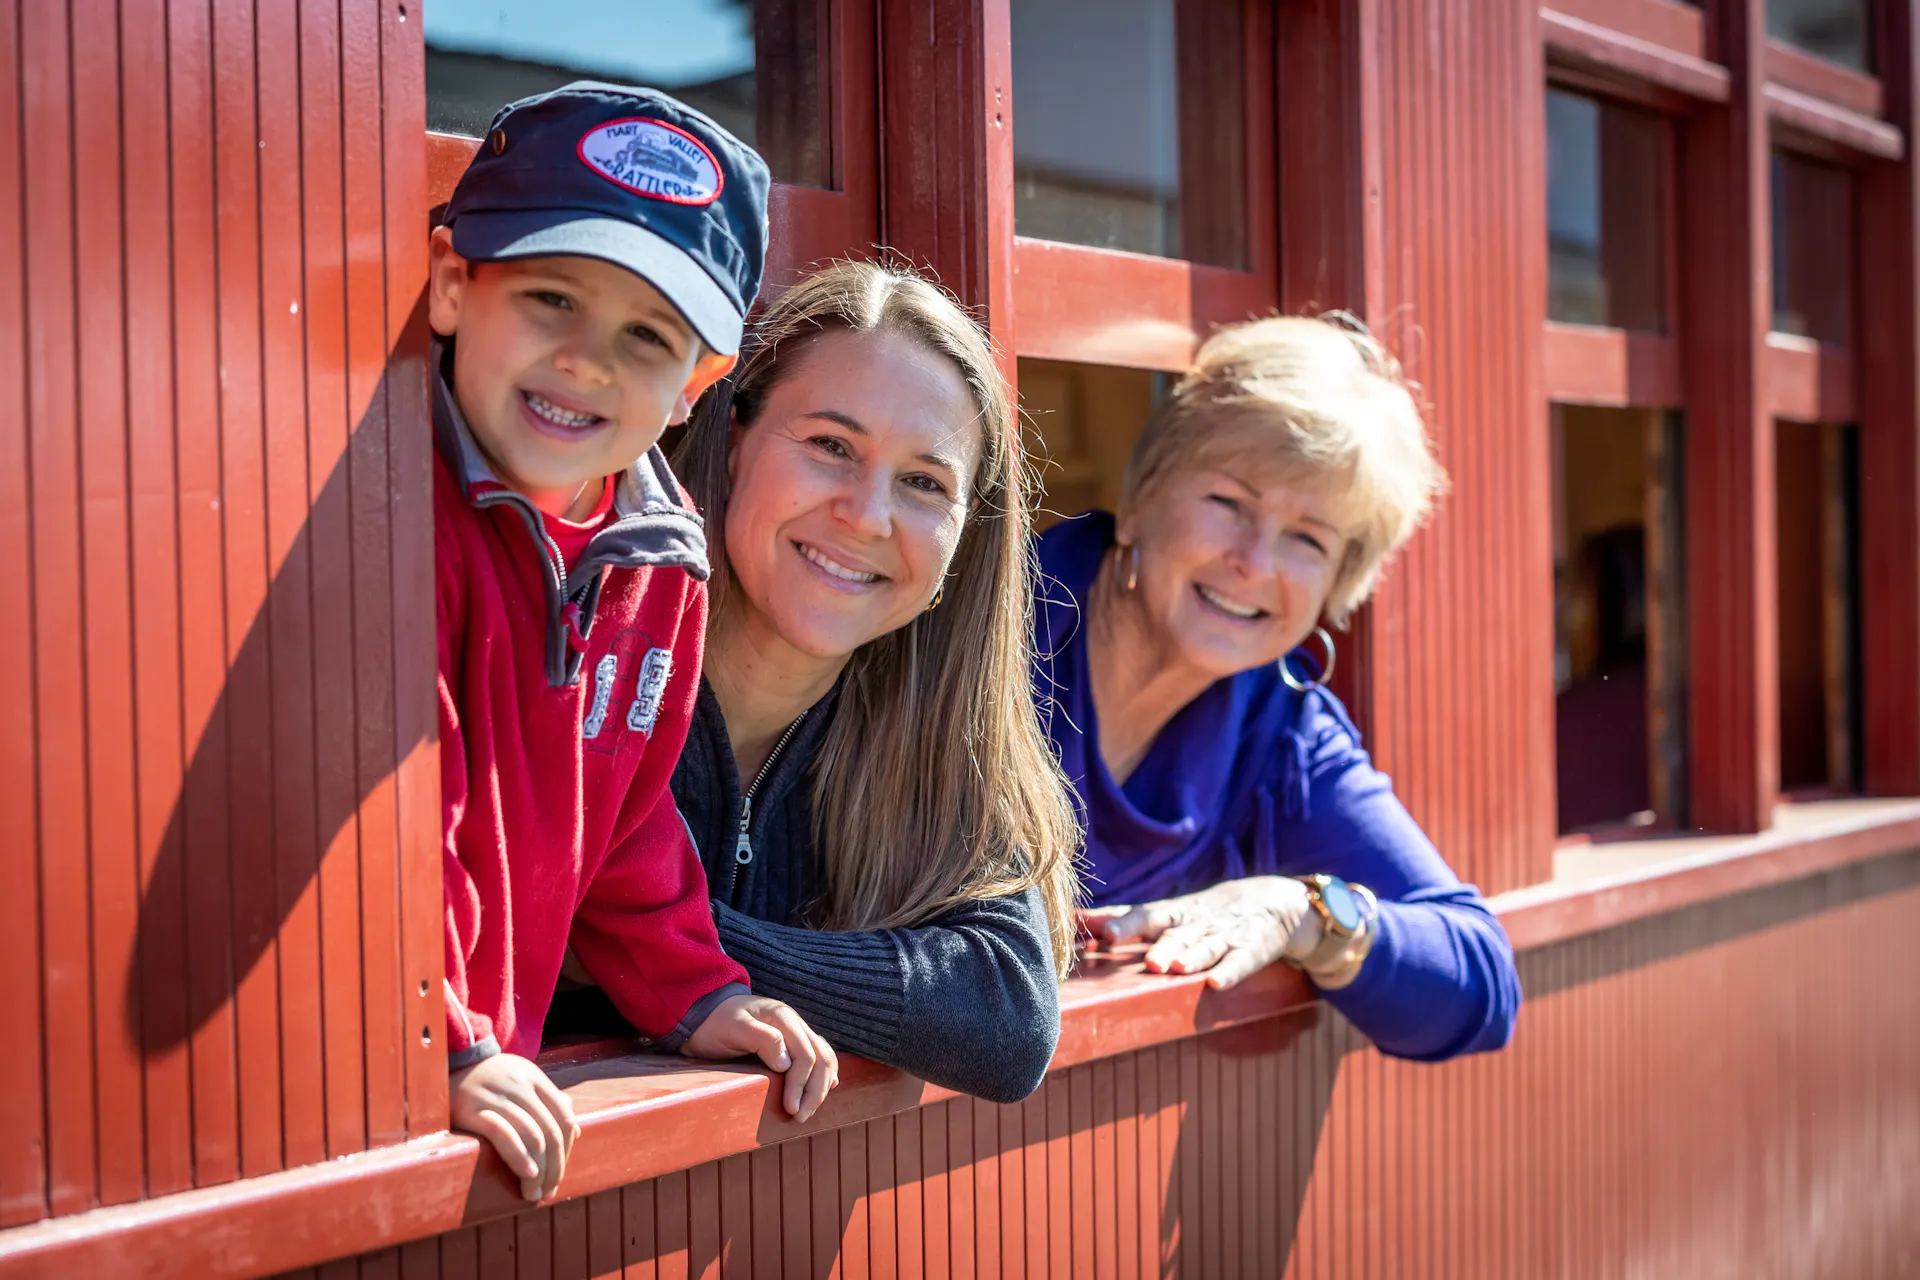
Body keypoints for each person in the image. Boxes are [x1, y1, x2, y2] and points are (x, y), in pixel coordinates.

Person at [431, 83, 837, 1204]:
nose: (587, 359)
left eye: (647, 336)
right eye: (553, 296)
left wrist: (698, 993)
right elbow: (396, 821)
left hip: (489, 1088)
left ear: (695, 385)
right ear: (454, 283)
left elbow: (622, 814)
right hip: (383, 1081)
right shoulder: (397, 524)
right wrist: (449, 1038)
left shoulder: (658, 561)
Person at [550, 262, 1081, 1103]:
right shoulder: (593, 657)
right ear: (731, 437)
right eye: (832, 446)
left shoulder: (932, 736)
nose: (867, 515)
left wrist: (632, 935)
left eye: (922, 482)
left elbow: (1005, 1016)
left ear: (960, 549)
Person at [1040, 315, 1520, 1062]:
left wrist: (1304, 912)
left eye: (1308, 539)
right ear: (1136, 501)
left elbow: (1481, 986)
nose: (1255, 561)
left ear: (1336, 586)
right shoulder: (995, 629)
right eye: (1228, 502)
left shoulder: (1281, 731)